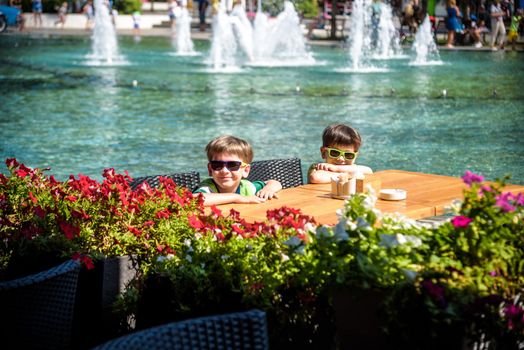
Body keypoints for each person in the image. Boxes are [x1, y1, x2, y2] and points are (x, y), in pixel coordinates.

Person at [193, 135, 282, 206]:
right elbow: (194, 199)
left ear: (245, 170)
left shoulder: (246, 187)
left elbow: (274, 182)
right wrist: (237, 198)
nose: (224, 170)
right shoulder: (208, 188)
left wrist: (268, 189)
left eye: (232, 165)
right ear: (210, 169)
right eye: (217, 165)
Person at [308, 124, 373, 184]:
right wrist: (349, 175)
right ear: (323, 152)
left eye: (348, 155)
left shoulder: (352, 168)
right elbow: (315, 178)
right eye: (335, 152)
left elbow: (369, 171)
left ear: (355, 156)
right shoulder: (318, 167)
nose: (341, 159)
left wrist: (337, 169)